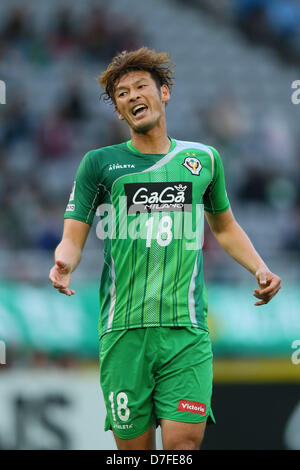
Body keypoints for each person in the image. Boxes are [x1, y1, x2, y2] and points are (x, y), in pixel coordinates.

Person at [49, 47, 281, 450]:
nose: (133, 96)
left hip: (186, 330)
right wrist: (64, 262)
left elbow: (224, 226)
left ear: (165, 93)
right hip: (123, 331)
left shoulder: (203, 159)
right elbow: (74, 234)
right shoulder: (98, 164)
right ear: (118, 112)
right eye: (122, 94)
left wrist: (259, 268)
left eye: (141, 86)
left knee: (183, 447)